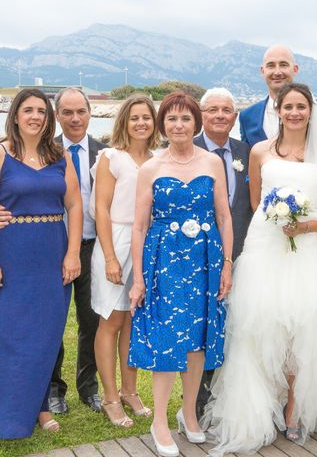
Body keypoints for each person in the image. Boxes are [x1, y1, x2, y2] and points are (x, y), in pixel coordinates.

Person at [203, 83, 317, 455]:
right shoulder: (260, 151)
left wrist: (303, 226)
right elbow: (256, 200)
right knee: (259, 329)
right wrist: (279, 223)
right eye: (288, 106)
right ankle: (258, 412)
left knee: (303, 333)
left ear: (311, 111)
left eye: (302, 106)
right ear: (277, 110)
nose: (295, 112)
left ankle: (295, 410)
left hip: (307, 252)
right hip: (266, 248)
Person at [127, 91, 232, 457]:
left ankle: (189, 413)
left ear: (195, 122)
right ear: (163, 125)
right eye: (171, 119)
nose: (178, 125)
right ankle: (159, 421)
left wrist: (227, 265)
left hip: (205, 259)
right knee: (168, 337)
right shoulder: (151, 168)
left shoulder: (213, 162)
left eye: (185, 118)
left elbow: (224, 217)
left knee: (199, 339)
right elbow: (139, 227)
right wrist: (139, 277)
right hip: (165, 261)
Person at [0, 89, 82, 438]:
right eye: (28, 110)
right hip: (12, 254)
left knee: (46, 335)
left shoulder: (59, 155)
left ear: (49, 119)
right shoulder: (2, 153)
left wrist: (73, 253)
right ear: (15, 115)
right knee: (12, 335)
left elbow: (75, 207)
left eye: (42, 111)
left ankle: (42, 407)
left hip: (52, 254)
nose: (35, 116)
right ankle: (11, 412)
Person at [91, 94, 160, 427]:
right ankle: (109, 397)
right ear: (124, 122)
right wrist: (109, 257)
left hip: (146, 244)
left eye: (146, 117)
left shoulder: (158, 159)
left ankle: (130, 391)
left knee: (134, 319)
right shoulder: (110, 157)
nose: (141, 123)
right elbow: (100, 209)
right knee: (112, 320)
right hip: (116, 242)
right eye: (134, 117)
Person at [193, 87, 253, 419]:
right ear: (202, 115)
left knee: (238, 324)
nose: (219, 115)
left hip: (243, 252)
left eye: (226, 110)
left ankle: (232, 395)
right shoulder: (188, 149)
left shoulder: (248, 151)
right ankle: (201, 398)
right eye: (213, 109)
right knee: (204, 325)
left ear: (234, 116)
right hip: (198, 253)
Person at [50, 87, 108, 414]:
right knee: (54, 322)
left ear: (89, 113)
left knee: (92, 322)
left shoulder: (105, 153)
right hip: (52, 248)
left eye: (80, 112)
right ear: (57, 115)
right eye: (67, 112)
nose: (75, 118)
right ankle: (53, 389)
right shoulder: (46, 151)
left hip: (92, 248)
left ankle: (88, 387)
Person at [239, 44, 317, 147]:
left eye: (283, 65)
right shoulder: (247, 116)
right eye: (271, 65)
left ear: (295, 69)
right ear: (263, 71)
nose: (277, 72)